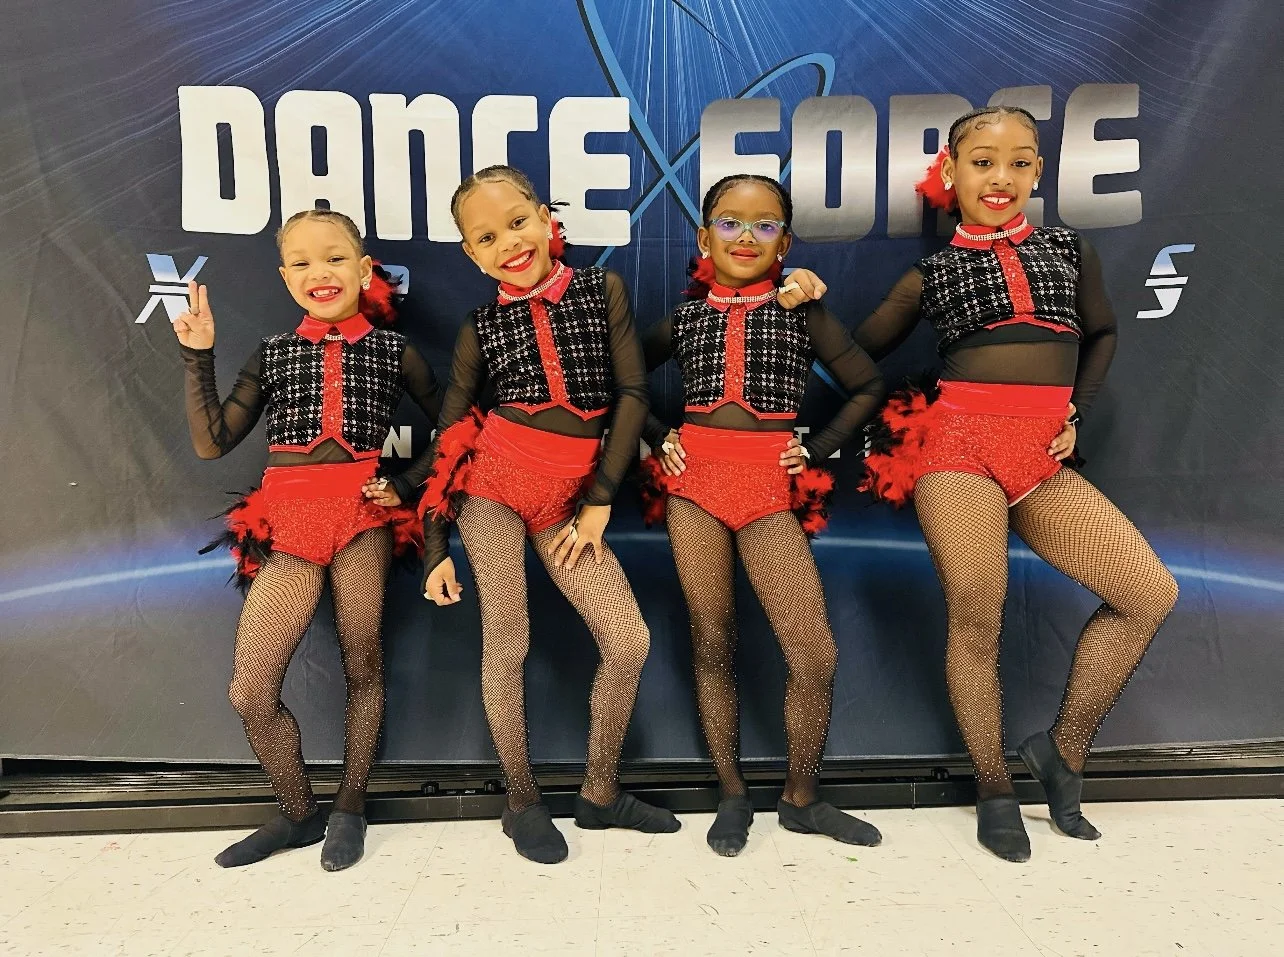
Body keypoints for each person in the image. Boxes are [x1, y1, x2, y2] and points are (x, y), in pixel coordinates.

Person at [855, 107, 1178, 862]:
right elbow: (857, 352)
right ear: (951, 173)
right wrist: (799, 304)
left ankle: (1062, 753)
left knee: (1149, 593)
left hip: (1038, 455)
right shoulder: (931, 274)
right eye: (983, 161)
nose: (1001, 178)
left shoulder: (1069, 248)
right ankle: (994, 785)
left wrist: (1077, 411)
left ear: (1037, 171)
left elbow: (1102, 333)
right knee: (978, 607)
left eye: (1020, 162)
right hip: (955, 446)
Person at [418, 165, 680, 864]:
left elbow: (629, 394)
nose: (508, 241)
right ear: (470, 254)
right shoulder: (481, 325)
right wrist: (434, 544)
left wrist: (597, 502)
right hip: (492, 491)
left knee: (628, 641)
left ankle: (598, 793)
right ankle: (521, 799)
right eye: (486, 236)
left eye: (517, 221)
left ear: (544, 216)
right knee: (508, 640)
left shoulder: (601, 290)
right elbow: (450, 437)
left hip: (568, 503)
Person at [175, 208, 440, 870]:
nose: (319, 272)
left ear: (361, 267)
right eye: (301, 261)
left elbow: (465, 430)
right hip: (289, 528)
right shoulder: (272, 352)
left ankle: (351, 804)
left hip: (360, 521)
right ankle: (298, 811)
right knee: (250, 689)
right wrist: (197, 352)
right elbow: (211, 441)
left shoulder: (392, 350)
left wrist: (406, 483)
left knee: (364, 664)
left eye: (333, 257)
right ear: (284, 274)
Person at [640, 174, 887, 856]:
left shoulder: (801, 308)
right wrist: (658, 433)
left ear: (785, 238)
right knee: (711, 639)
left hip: (767, 491)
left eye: (765, 224)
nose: (746, 236)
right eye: (729, 222)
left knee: (814, 652)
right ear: (703, 236)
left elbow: (868, 384)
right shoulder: (687, 317)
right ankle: (731, 792)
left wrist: (816, 446)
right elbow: (621, 379)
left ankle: (801, 798)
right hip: (695, 491)